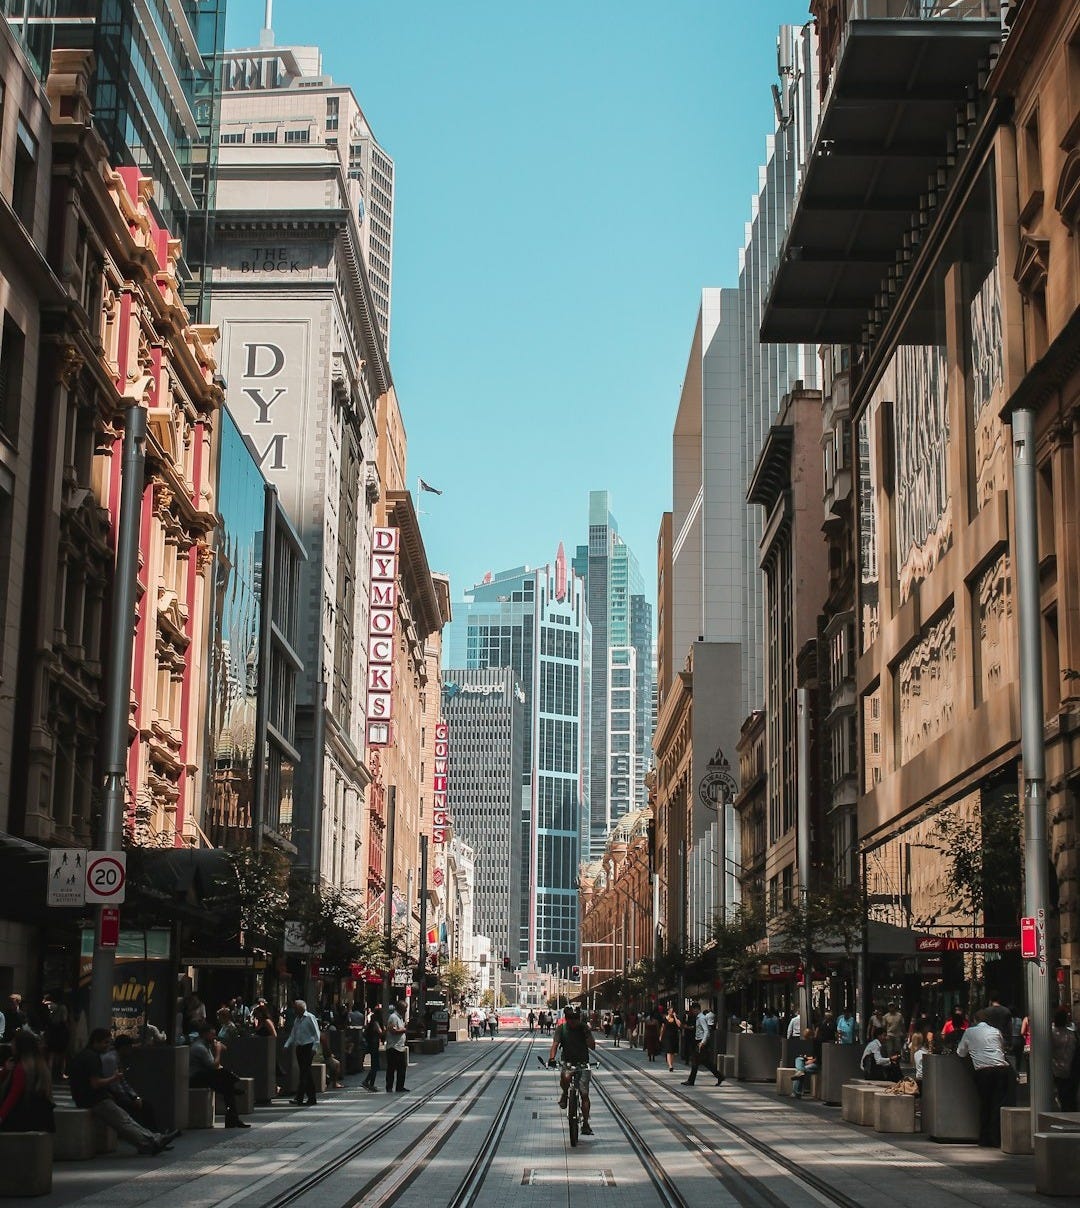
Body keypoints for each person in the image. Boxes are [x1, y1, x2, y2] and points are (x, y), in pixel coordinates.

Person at [70, 1029, 176, 1154]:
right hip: (93, 1099)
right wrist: (114, 1079)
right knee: (124, 1122)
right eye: (106, 1043)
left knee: (126, 1119)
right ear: (95, 1042)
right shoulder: (92, 1058)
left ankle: (154, 1139)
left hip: (91, 1097)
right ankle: (149, 1143)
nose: (108, 1046)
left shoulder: (87, 1055)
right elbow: (95, 1083)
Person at [957, 1009, 1013, 1147]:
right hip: (1001, 1069)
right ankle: (997, 1138)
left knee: (985, 1103)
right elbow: (1001, 1048)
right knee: (998, 1104)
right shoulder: (995, 1031)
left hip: (984, 1071)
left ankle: (985, 1138)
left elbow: (961, 1052)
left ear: (974, 1020)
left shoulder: (969, 1032)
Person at [189, 1021, 250, 1128]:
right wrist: (218, 1051)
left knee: (227, 1087)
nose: (214, 1037)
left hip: (205, 1076)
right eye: (212, 1034)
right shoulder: (200, 1048)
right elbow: (213, 1066)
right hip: (196, 1078)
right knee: (227, 1084)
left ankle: (233, 1119)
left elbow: (215, 1066)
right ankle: (233, 1118)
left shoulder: (206, 1045)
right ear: (204, 1034)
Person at [548, 1004, 596, 1136]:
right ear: (566, 1018)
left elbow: (593, 1046)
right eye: (570, 1018)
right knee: (565, 1078)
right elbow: (555, 1045)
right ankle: (564, 1094)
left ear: (579, 1018)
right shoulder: (561, 1029)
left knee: (584, 1094)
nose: (573, 1021)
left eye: (576, 1018)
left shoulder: (584, 1028)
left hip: (582, 1063)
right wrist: (551, 1058)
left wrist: (587, 1034)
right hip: (567, 1062)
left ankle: (585, 1123)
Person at [0, 1031, 54, 1131]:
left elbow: (14, 1094)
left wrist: (1, 1115)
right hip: (40, 1118)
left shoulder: (20, 1068)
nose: (11, 1045)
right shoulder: (41, 1066)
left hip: (19, 1119)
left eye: (13, 1042)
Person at [283, 998, 322, 1106]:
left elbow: (316, 1033)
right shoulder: (297, 1020)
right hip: (299, 1047)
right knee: (306, 1073)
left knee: (305, 1073)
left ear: (300, 1008)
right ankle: (312, 1098)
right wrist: (286, 1045)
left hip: (308, 1047)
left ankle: (299, 1097)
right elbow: (293, 1034)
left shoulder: (310, 1017)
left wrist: (314, 1048)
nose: (294, 1010)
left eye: (295, 1008)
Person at [682, 1002, 723, 1087]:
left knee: (697, 1062)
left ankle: (691, 1081)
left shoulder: (701, 1018)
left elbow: (706, 1031)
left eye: (693, 1010)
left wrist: (702, 1042)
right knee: (702, 1062)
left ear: (696, 1009)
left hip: (701, 1042)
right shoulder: (698, 1018)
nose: (692, 1011)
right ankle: (719, 1076)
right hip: (698, 1041)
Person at [1050, 1008, 1078, 1112]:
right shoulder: (1072, 1034)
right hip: (1070, 1069)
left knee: (1063, 1095)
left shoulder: (1052, 1034)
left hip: (1057, 1069)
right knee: (1071, 1096)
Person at [385, 1000, 409, 1093]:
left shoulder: (400, 1018)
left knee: (401, 1069)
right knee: (391, 1068)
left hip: (400, 1047)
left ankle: (400, 1087)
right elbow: (392, 1030)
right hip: (393, 1047)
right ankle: (389, 1087)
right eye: (405, 1009)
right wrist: (403, 1030)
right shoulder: (393, 1017)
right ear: (400, 1008)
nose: (406, 1010)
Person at [363, 1007, 384, 1092]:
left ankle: (370, 1083)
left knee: (375, 1065)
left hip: (373, 1044)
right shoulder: (375, 1022)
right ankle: (367, 1082)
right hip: (373, 1045)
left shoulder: (373, 1021)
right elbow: (380, 1032)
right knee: (375, 1065)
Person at [660, 1004, 681, 1072]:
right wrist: (660, 1036)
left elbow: (679, 1025)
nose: (672, 1012)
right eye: (671, 1011)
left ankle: (671, 1064)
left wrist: (675, 1016)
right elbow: (662, 1028)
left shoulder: (676, 1018)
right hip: (667, 1036)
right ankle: (670, 1066)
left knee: (672, 1052)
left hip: (674, 1036)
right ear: (668, 1011)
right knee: (668, 1051)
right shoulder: (665, 1018)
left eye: (673, 1011)